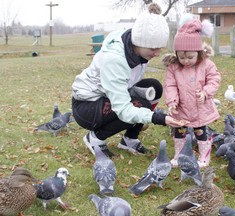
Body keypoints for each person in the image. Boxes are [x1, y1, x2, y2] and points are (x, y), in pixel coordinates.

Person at [71, 3, 189, 158]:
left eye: (160, 48)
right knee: (140, 106)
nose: (158, 53)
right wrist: (158, 117)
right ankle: (95, 139)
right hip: (87, 105)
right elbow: (123, 109)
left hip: (107, 95)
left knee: (154, 87)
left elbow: (125, 84)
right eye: (154, 49)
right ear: (139, 43)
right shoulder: (115, 59)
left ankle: (129, 139)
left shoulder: (136, 48)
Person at [163, 16, 221, 168]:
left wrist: (206, 92)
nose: (185, 61)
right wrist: (172, 101)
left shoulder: (206, 64)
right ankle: (179, 155)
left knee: (200, 132)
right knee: (179, 131)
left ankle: (204, 155)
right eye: (181, 57)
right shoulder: (173, 67)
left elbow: (214, 79)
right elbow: (170, 85)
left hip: (199, 107)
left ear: (199, 52)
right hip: (181, 107)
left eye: (190, 57)